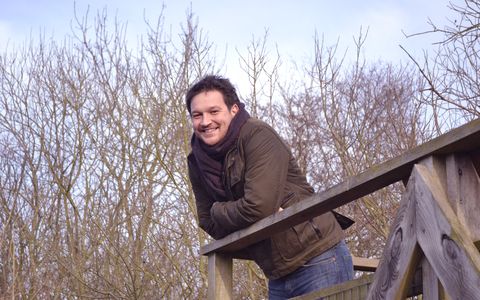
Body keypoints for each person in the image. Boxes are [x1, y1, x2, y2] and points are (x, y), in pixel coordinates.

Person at [186, 75, 354, 299]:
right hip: (276, 273)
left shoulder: (256, 134)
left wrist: (219, 210)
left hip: (319, 256)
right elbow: (207, 222)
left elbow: (257, 207)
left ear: (233, 110)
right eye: (197, 115)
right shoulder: (196, 161)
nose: (205, 121)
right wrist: (242, 213)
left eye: (214, 112)